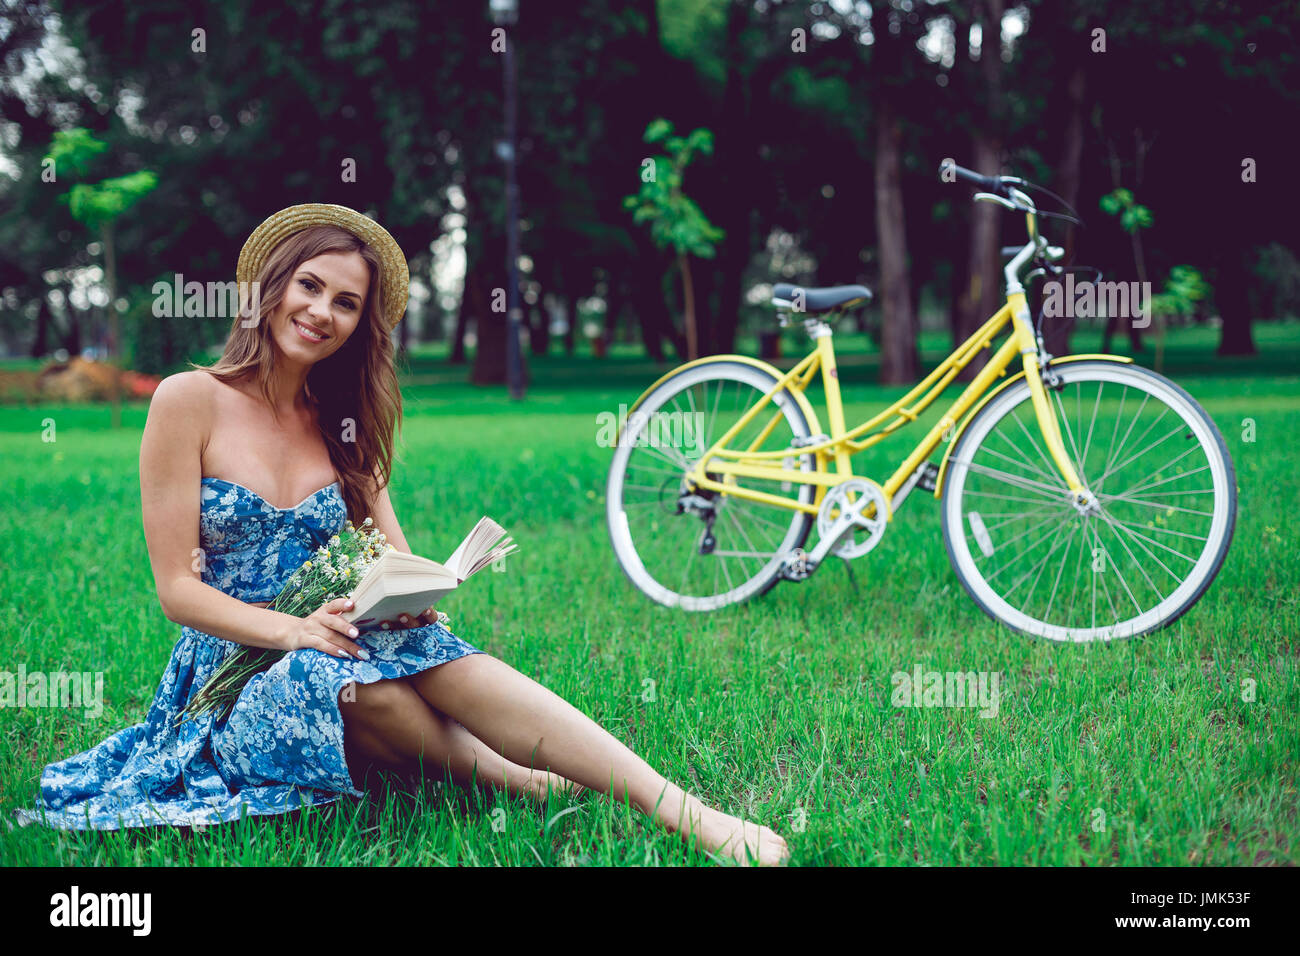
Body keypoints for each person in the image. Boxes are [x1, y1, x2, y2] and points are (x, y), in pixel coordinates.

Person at [12, 203, 789, 866]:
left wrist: (415, 598)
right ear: (270, 287)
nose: (320, 312)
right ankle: (525, 782)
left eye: (346, 303)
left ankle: (685, 813)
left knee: (431, 652)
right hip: (236, 667)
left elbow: (392, 554)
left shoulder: (343, 422)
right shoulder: (189, 401)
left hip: (346, 634)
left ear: (361, 326)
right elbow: (177, 590)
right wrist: (294, 631)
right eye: (308, 286)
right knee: (335, 676)